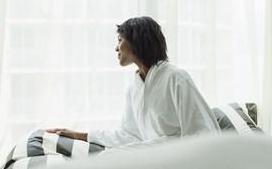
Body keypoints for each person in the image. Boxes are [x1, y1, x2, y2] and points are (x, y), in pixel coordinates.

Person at [46, 16, 220, 148]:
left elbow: (203, 133)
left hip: (179, 161)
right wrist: (79, 135)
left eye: (120, 40)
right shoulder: (133, 89)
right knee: (109, 157)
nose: (116, 48)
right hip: (153, 159)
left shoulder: (175, 78)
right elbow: (129, 136)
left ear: (137, 42)